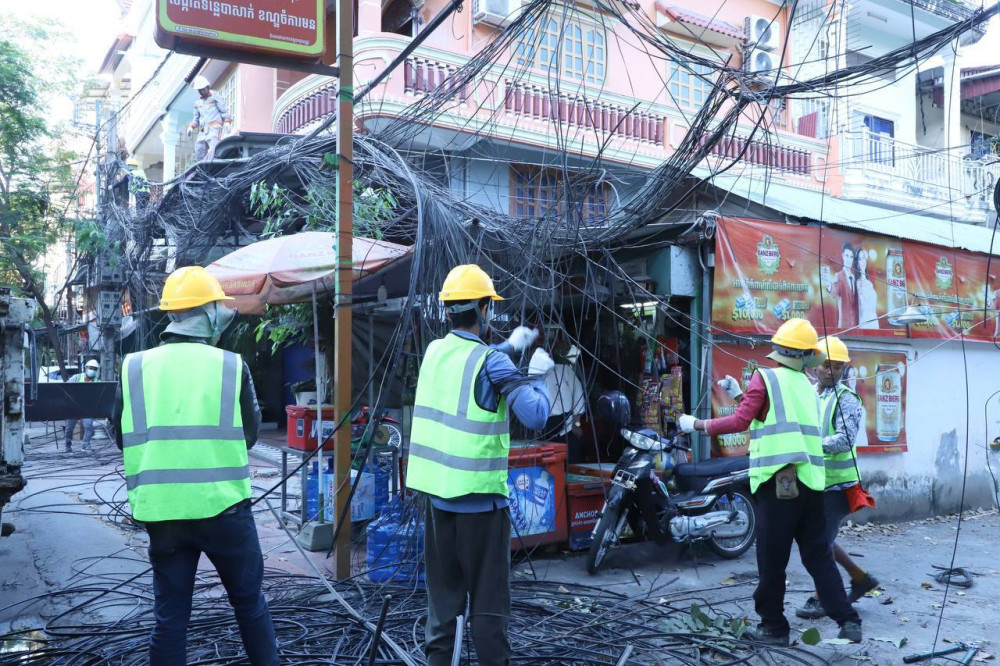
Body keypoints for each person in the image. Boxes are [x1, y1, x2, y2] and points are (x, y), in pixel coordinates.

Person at [111, 266, 278, 666]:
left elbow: (120, 434)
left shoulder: (133, 367)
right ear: (207, 313)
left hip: (163, 514)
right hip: (225, 510)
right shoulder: (230, 366)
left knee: (170, 619)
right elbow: (249, 435)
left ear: (173, 313)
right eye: (218, 306)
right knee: (249, 606)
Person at [677, 318, 862, 645]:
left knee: (772, 560)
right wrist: (740, 394)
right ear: (808, 356)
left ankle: (774, 628)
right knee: (818, 556)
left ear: (778, 349)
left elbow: (741, 421)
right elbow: (769, 416)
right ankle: (848, 620)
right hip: (810, 484)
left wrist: (697, 424)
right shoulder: (806, 386)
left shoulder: (766, 378)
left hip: (779, 486)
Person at [406, 264, 554, 666]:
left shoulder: (435, 353)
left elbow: (473, 363)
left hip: (438, 506)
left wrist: (509, 346)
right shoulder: (491, 362)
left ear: (448, 310)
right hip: (482, 510)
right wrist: (538, 377)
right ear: (485, 309)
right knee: (488, 612)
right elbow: (536, 416)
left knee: (443, 610)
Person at [796, 336, 879, 619]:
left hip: (838, 486)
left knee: (818, 545)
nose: (831, 371)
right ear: (815, 365)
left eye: (838, 366)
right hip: (815, 482)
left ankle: (823, 597)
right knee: (819, 539)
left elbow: (844, 440)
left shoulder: (848, 400)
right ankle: (860, 577)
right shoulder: (810, 394)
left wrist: (809, 446)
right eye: (826, 365)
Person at [187, 75, 232, 161]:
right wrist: (191, 127)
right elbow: (196, 119)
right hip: (203, 130)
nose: (201, 91)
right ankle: (202, 166)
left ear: (207, 87)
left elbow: (224, 111)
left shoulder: (215, 96)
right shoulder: (198, 103)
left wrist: (227, 122)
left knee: (213, 149)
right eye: (199, 90)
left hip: (214, 128)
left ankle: (212, 165)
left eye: (203, 89)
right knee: (199, 148)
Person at [64, 359, 100, 453]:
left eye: (95, 369)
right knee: (69, 427)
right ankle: (67, 445)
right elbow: (65, 388)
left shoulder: (97, 381)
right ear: (86, 368)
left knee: (88, 426)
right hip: (74, 405)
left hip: (87, 407)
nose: (92, 370)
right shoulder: (76, 377)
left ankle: (86, 445)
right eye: (91, 368)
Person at [826, 242, 858, 329]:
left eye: (851, 257)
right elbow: (834, 291)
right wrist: (829, 285)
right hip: (844, 327)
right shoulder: (839, 276)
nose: (849, 260)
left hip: (856, 328)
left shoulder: (855, 278)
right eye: (847, 256)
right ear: (843, 256)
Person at [855, 246, 878, 330]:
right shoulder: (857, 283)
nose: (862, 261)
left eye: (864, 258)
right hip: (865, 323)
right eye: (860, 259)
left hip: (874, 321)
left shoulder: (870, 284)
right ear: (857, 263)